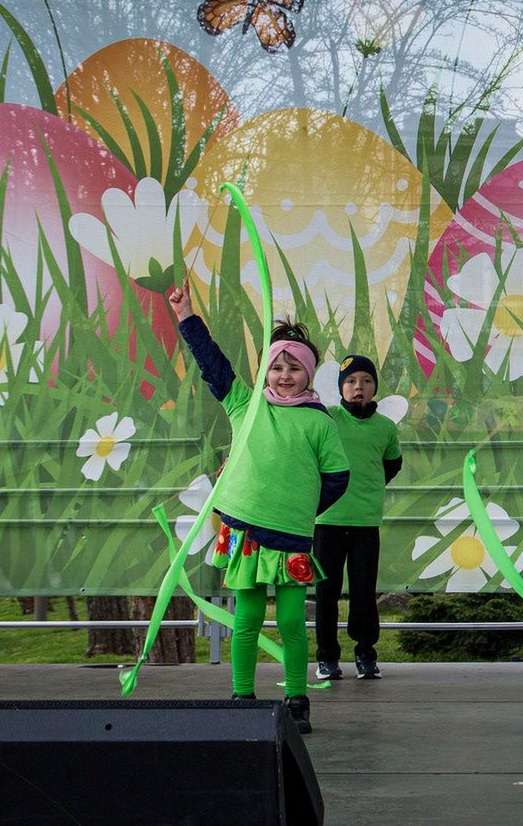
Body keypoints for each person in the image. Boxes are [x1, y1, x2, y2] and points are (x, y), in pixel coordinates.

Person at [170, 283, 350, 735]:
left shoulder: (319, 422)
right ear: (265, 371)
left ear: (309, 376)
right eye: (276, 367)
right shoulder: (245, 405)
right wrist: (186, 315)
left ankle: (296, 698)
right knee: (247, 617)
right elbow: (213, 365)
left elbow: (337, 478)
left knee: (291, 620)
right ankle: (242, 696)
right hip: (246, 533)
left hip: (290, 536)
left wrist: (302, 507)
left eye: (294, 368)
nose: (284, 375)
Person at [314, 353, 402, 681]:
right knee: (327, 592)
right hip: (328, 521)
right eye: (350, 381)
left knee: (364, 592)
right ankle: (327, 658)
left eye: (365, 380)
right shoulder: (329, 418)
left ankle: (366, 654)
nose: (358, 387)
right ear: (341, 389)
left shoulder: (385, 428)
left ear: (375, 386)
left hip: (365, 522)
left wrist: (369, 488)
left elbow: (391, 464)